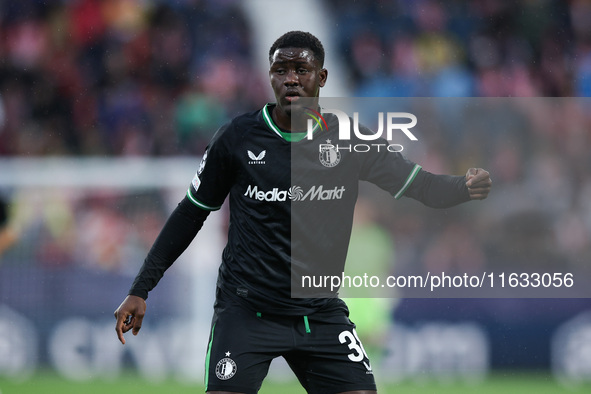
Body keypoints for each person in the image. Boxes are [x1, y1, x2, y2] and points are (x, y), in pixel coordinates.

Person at [114, 31, 492, 394]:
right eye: (282, 70)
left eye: (302, 70)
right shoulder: (238, 138)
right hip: (247, 312)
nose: (291, 79)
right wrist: (141, 288)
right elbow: (190, 213)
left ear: (322, 77)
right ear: (270, 77)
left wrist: (463, 187)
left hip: (319, 313)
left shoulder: (349, 139)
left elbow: (419, 185)